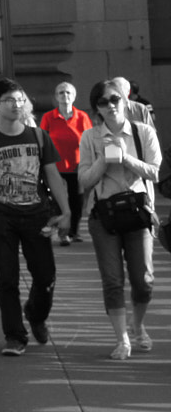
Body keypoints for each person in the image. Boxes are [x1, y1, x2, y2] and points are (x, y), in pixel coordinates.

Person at [0, 79, 71, 356]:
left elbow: (52, 175)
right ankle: (15, 336)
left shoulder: (39, 137)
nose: (16, 105)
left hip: (37, 216)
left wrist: (66, 212)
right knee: (7, 280)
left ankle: (35, 314)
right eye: (8, 101)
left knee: (46, 277)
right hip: (3, 217)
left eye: (19, 99)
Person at [79, 79, 162, 359]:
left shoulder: (144, 132)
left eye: (115, 99)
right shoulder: (90, 137)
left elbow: (154, 172)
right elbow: (84, 180)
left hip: (138, 213)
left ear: (125, 101)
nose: (111, 105)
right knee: (113, 280)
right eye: (103, 102)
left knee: (143, 280)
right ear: (96, 109)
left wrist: (125, 158)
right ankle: (122, 339)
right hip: (105, 216)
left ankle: (138, 326)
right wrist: (104, 158)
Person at [41, 82, 92, 242]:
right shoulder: (48, 117)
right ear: (56, 97)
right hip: (56, 168)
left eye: (68, 93)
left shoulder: (82, 117)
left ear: (74, 96)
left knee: (77, 201)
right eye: (61, 93)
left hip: (77, 166)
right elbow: (42, 140)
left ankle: (73, 232)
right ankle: (63, 233)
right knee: (59, 200)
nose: (65, 96)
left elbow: (90, 140)